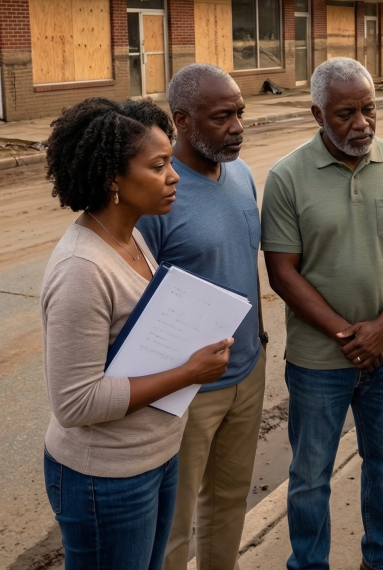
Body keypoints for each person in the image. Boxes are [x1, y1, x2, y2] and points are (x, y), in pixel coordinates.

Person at [41, 97, 232, 570]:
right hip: (104, 477)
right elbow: (75, 402)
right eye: (159, 165)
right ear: (113, 180)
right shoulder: (82, 268)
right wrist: (190, 371)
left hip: (155, 457)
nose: (175, 177)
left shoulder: (131, 234)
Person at [262, 58, 383, 570]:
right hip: (318, 361)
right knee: (310, 475)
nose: (362, 123)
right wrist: (346, 334)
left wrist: (380, 330)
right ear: (317, 114)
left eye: (369, 108)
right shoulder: (287, 177)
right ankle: (309, 564)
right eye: (345, 114)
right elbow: (282, 273)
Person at [137, 64, 266, 570]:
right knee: (174, 520)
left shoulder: (243, 174)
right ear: (182, 120)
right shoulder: (158, 197)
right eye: (221, 117)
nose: (237, 127)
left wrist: (255, 339)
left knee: (229, 505)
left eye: (240, 113)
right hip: (186, 392)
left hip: (247, 375)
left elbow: (243, 261)